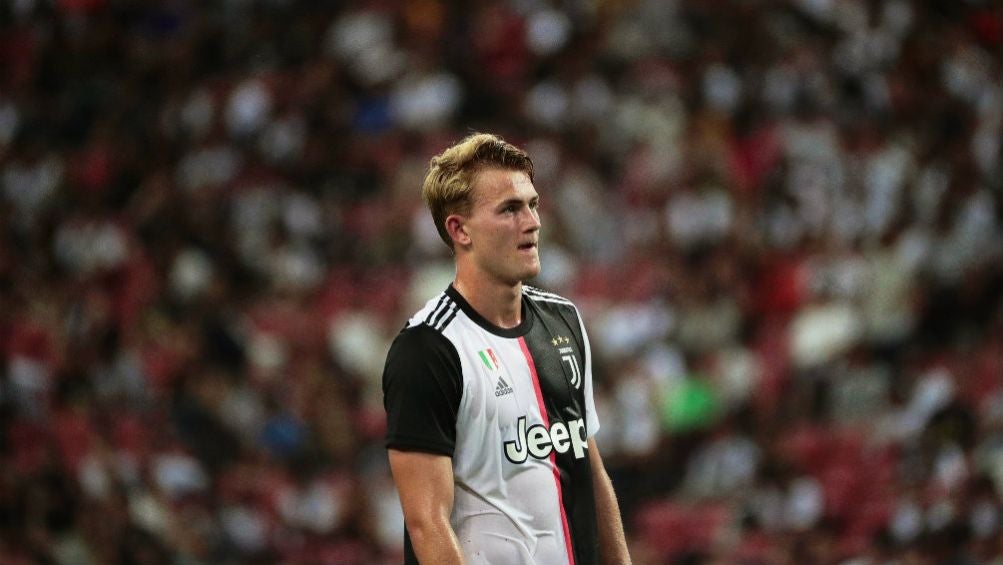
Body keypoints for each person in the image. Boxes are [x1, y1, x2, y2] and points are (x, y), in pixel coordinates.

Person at [382, 132, 632, 565]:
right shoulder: (428, 350)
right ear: (459, 229)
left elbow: (590, 470)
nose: (532, 222)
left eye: (533, 205)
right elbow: (427, 522)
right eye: (510, 209)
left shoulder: (564, 320)